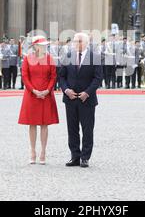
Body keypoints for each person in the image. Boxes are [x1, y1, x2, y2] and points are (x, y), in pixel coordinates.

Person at [59, 33, 103, 168]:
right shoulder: (68, 56)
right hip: (70, 99)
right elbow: (61, 77)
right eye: (74, 41)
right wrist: (66, 90)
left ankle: (85, 157)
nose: (75, 43)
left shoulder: (95, 57)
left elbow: (98, 78)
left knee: (87, 129)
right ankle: (75, 156)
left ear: (85, 43)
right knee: (72, 129)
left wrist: (87, 93)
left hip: (87, 100)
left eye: (78, 41)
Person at [18, 36, 59, 165]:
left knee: (44, 124)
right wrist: (34, 90)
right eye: (41, 45)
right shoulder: (27, 58)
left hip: (46, 94)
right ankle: (32, 151)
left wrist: (47, 90)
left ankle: (43, 151)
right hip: (32, 94)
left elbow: (53, 76)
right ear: (35, 46)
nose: (43, 47)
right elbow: (25, 76)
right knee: (32, 123)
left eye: (45, 45)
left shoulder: (49, 58)